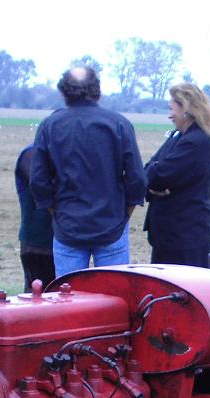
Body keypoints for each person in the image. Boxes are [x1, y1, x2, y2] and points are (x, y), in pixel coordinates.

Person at [30, 66, 146, 274]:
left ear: (64, 92)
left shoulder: (50, 126)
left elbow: (38, 181)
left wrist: (56, 214)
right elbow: (137, 178)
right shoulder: (119, 124)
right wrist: (124, 216)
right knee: (114, 292)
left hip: (68, 227)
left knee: (69, 293)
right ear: (97, 90)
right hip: (112, 225)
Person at [143, 83, 210, 267]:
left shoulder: (196, 142)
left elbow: (158, 175)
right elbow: (148, 171)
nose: (169, 115)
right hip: (168, 237)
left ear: (186, 110)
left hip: (185, 238)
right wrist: (152, 184)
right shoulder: (178, 136)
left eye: (172, 109)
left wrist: (153, 178)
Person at [14, 143, 55, 289]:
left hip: (62, 241)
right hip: (39, 243)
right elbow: (40, 184)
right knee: (38, 294)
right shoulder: (31, 154)